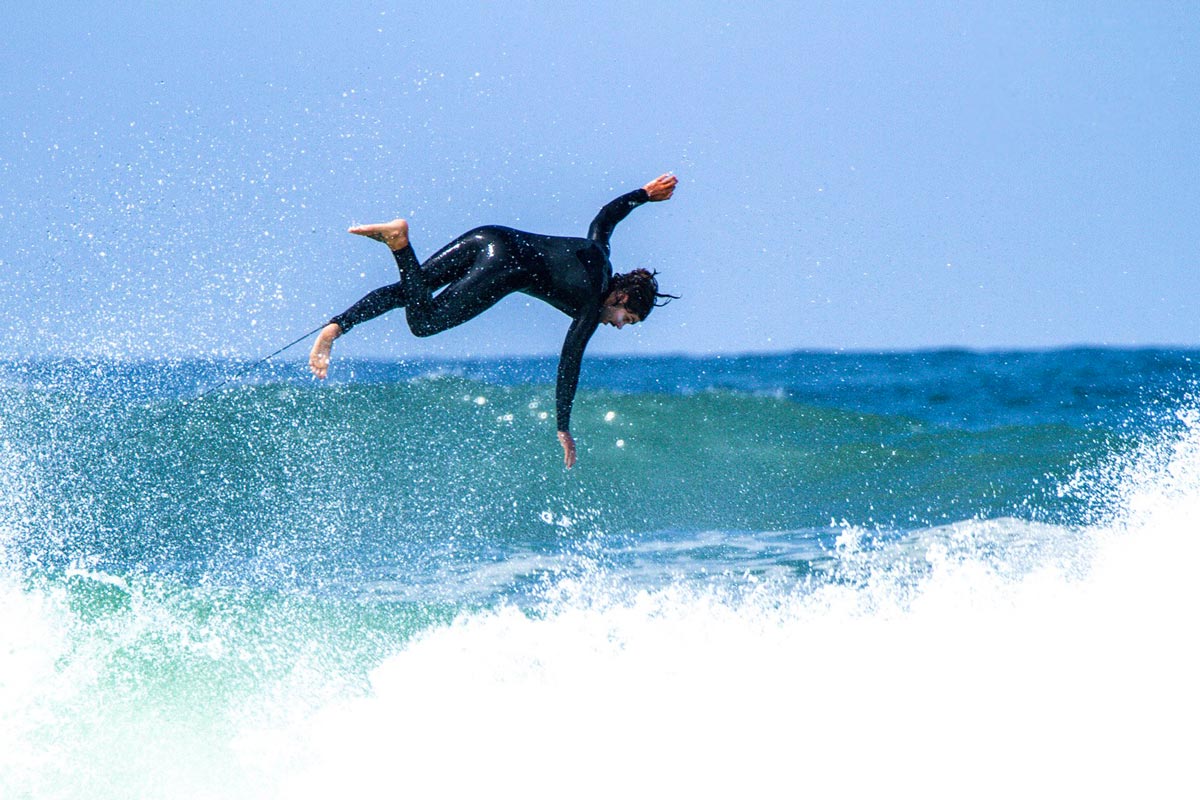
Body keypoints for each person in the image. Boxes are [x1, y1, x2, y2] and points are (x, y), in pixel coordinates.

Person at [308, 173, 679, 467]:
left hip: (489, 236)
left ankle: (335, 327)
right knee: (424, 323)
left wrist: (644, 193)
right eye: (625, 318)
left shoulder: (600, 251)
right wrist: (563, 426)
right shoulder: (589, 301)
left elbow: (606, 217)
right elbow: (570, 362)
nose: (616, 325)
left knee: (412, 288)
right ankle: (399, 243)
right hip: (501, 268)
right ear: (622, 296)